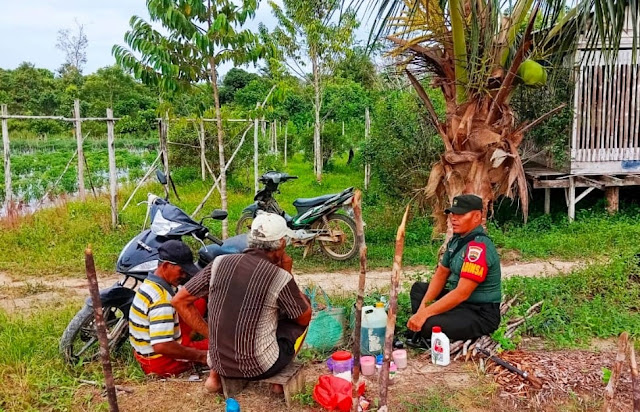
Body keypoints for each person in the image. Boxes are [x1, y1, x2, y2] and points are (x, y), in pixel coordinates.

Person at [173, 212, 312, 393]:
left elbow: (179, 300)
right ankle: (278, 382)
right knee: (303, 307)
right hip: (258, 367)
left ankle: (214, 377)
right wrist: (288, 274)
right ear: (281, 243)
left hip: (220, 363)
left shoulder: (218, 263)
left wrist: (211, 335)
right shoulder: (279, 276)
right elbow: (303, 317)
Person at [407, 194, 502, 344]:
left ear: (477, 217)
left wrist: (424, 314)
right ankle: (425, 324)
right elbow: (441, 274)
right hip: (460, 304)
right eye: (453, 213)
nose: (454, 218)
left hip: (478, 312)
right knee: (419, 290)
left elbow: (461, 294)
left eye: (461, 214)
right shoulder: (457, 240)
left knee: (428, 324)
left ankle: (426, 327)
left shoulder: (478, 248)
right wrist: (422, 310)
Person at [129, 240, 208, 376]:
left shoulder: (149, 284)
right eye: (181, 271)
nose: (184, 276)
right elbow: (162, 346)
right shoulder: (161, 300)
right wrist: (200, 356)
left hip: (143, 353)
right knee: (219, 348)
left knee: (198, 301)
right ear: (166, 265)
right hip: (159, 362)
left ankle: (186, 340)